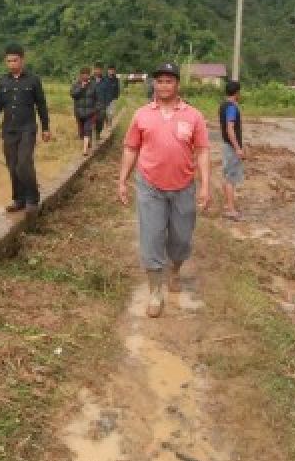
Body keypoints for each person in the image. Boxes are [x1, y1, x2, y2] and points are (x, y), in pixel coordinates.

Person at [118, 62, 211, 318]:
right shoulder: (142, 115)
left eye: (169, 81)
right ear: (154, 84)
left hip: (183, 187)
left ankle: (175, 270)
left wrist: (205, 186)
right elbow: (130, 148)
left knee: (181, 239)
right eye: (159, 81)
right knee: (151, 239)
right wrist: (122, 180)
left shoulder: (193, 115)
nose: (164, 85)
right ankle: (155, 292)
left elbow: (202, 151)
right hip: (150, 186)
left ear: (178, 84)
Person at [0, 43, 51, 214]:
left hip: (27, 129)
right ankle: (19, 199)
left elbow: (41, 105)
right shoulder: (2, 81)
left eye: (15, 60)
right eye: (8, 61)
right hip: (8, 129)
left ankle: (32, 199)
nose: (11, 64)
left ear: (22, 60)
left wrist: (46, 127)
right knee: (12, 165)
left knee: (24, 164)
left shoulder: (33, 80)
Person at [219, 80, 245, 220]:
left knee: (227, 175)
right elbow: (230, 129)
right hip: (230, 147)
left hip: (226, 145)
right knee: (231, 178)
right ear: (237, 93)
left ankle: (227, 204)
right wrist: (238, 148)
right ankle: (230, 209)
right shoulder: (231, 108)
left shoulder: (223, 105)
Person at [70, 67, 99, 155]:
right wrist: (81, 88)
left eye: (87, 74)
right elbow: (73, 95)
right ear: (80, 75)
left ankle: (85, 150)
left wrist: (96, 109)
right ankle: (87, 143)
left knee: (87, 130)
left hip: (90, 113)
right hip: (79, 113)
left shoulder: (93, 85)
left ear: (89, 75)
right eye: (83, 74)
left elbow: (97, 98)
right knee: (81, 132)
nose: (85, 76)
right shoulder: (76, 84)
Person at [91, 62, 107, 140]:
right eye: (96, 69)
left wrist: (106, 103)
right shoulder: (89, 80)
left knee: (100, 120)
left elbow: (108, 93)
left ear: (102, 71)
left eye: (99, 69)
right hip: (91, 104)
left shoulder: (105, 81)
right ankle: (89, 136)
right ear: (93, 70)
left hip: (101, 105)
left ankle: (98, 133)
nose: (97, 71)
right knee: (90, 121)